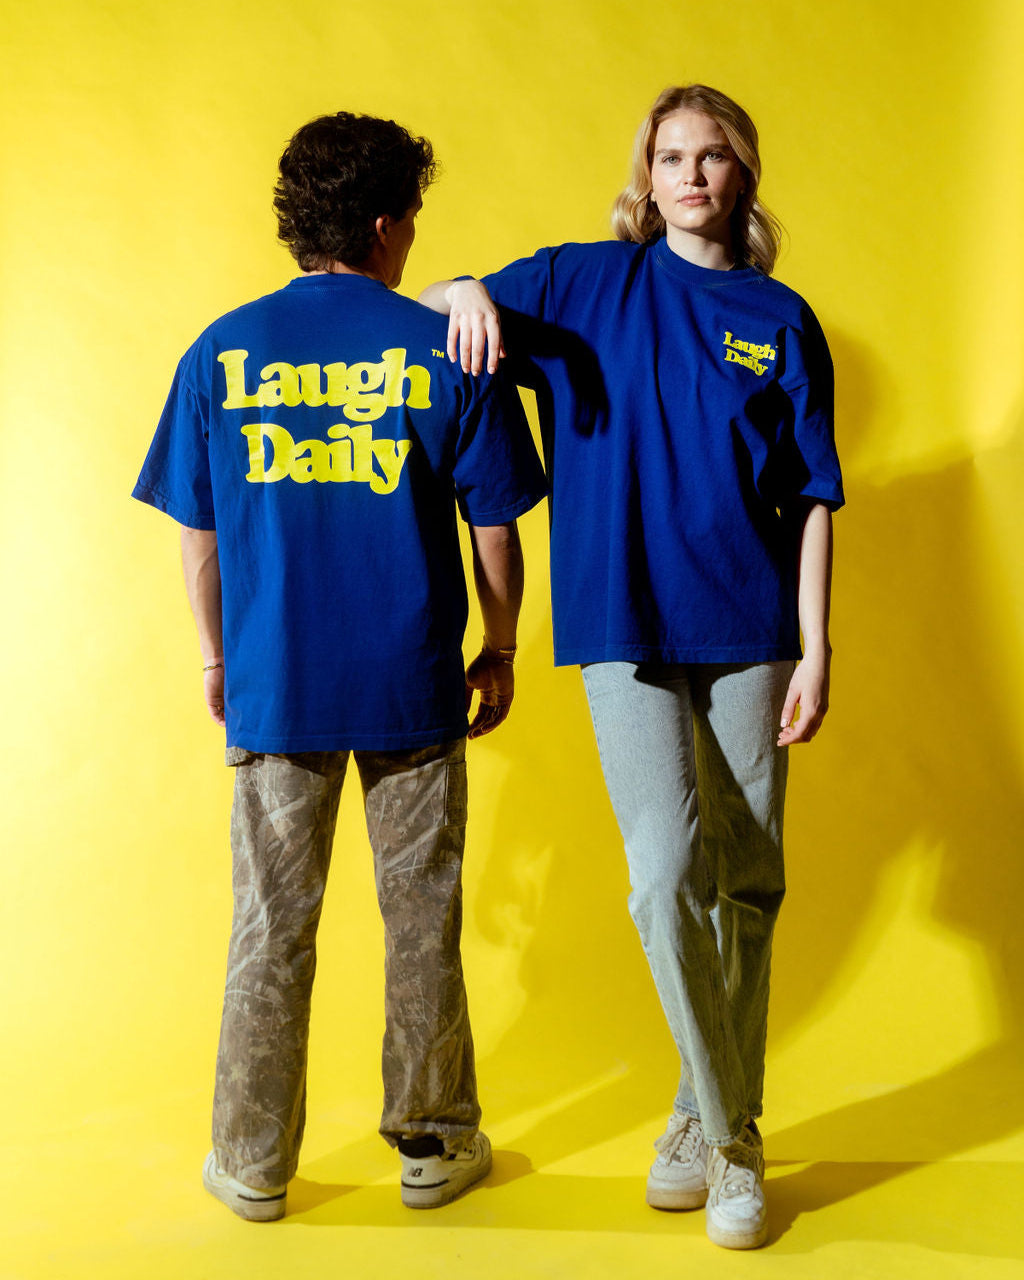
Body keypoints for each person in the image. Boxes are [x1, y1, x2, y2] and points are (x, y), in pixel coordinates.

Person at [420, 84, 843, 1249]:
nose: (692, 174)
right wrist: (460, 285)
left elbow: (810, 494)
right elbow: (446, 309)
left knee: (745, 884)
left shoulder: (780, 314)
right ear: (644, 176)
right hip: (621, 624)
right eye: (670, 156)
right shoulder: (583, 282)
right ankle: (737, 1140)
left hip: (752, 625)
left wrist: (816, 642)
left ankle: (698, 1120)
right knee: (665, 878)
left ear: (742, 175)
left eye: (713, 156)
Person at [132, 111, 546, 1221]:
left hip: (278, 682)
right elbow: (495, 531)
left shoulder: (221, 348)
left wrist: (220, 655)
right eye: (410, 218)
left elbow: (200, 533)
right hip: (413, 682)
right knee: (422, 915)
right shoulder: (442, 348)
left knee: (271, 922)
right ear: (381, 224)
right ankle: (432, 1141)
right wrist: (497, 648)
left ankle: (253, 1160)